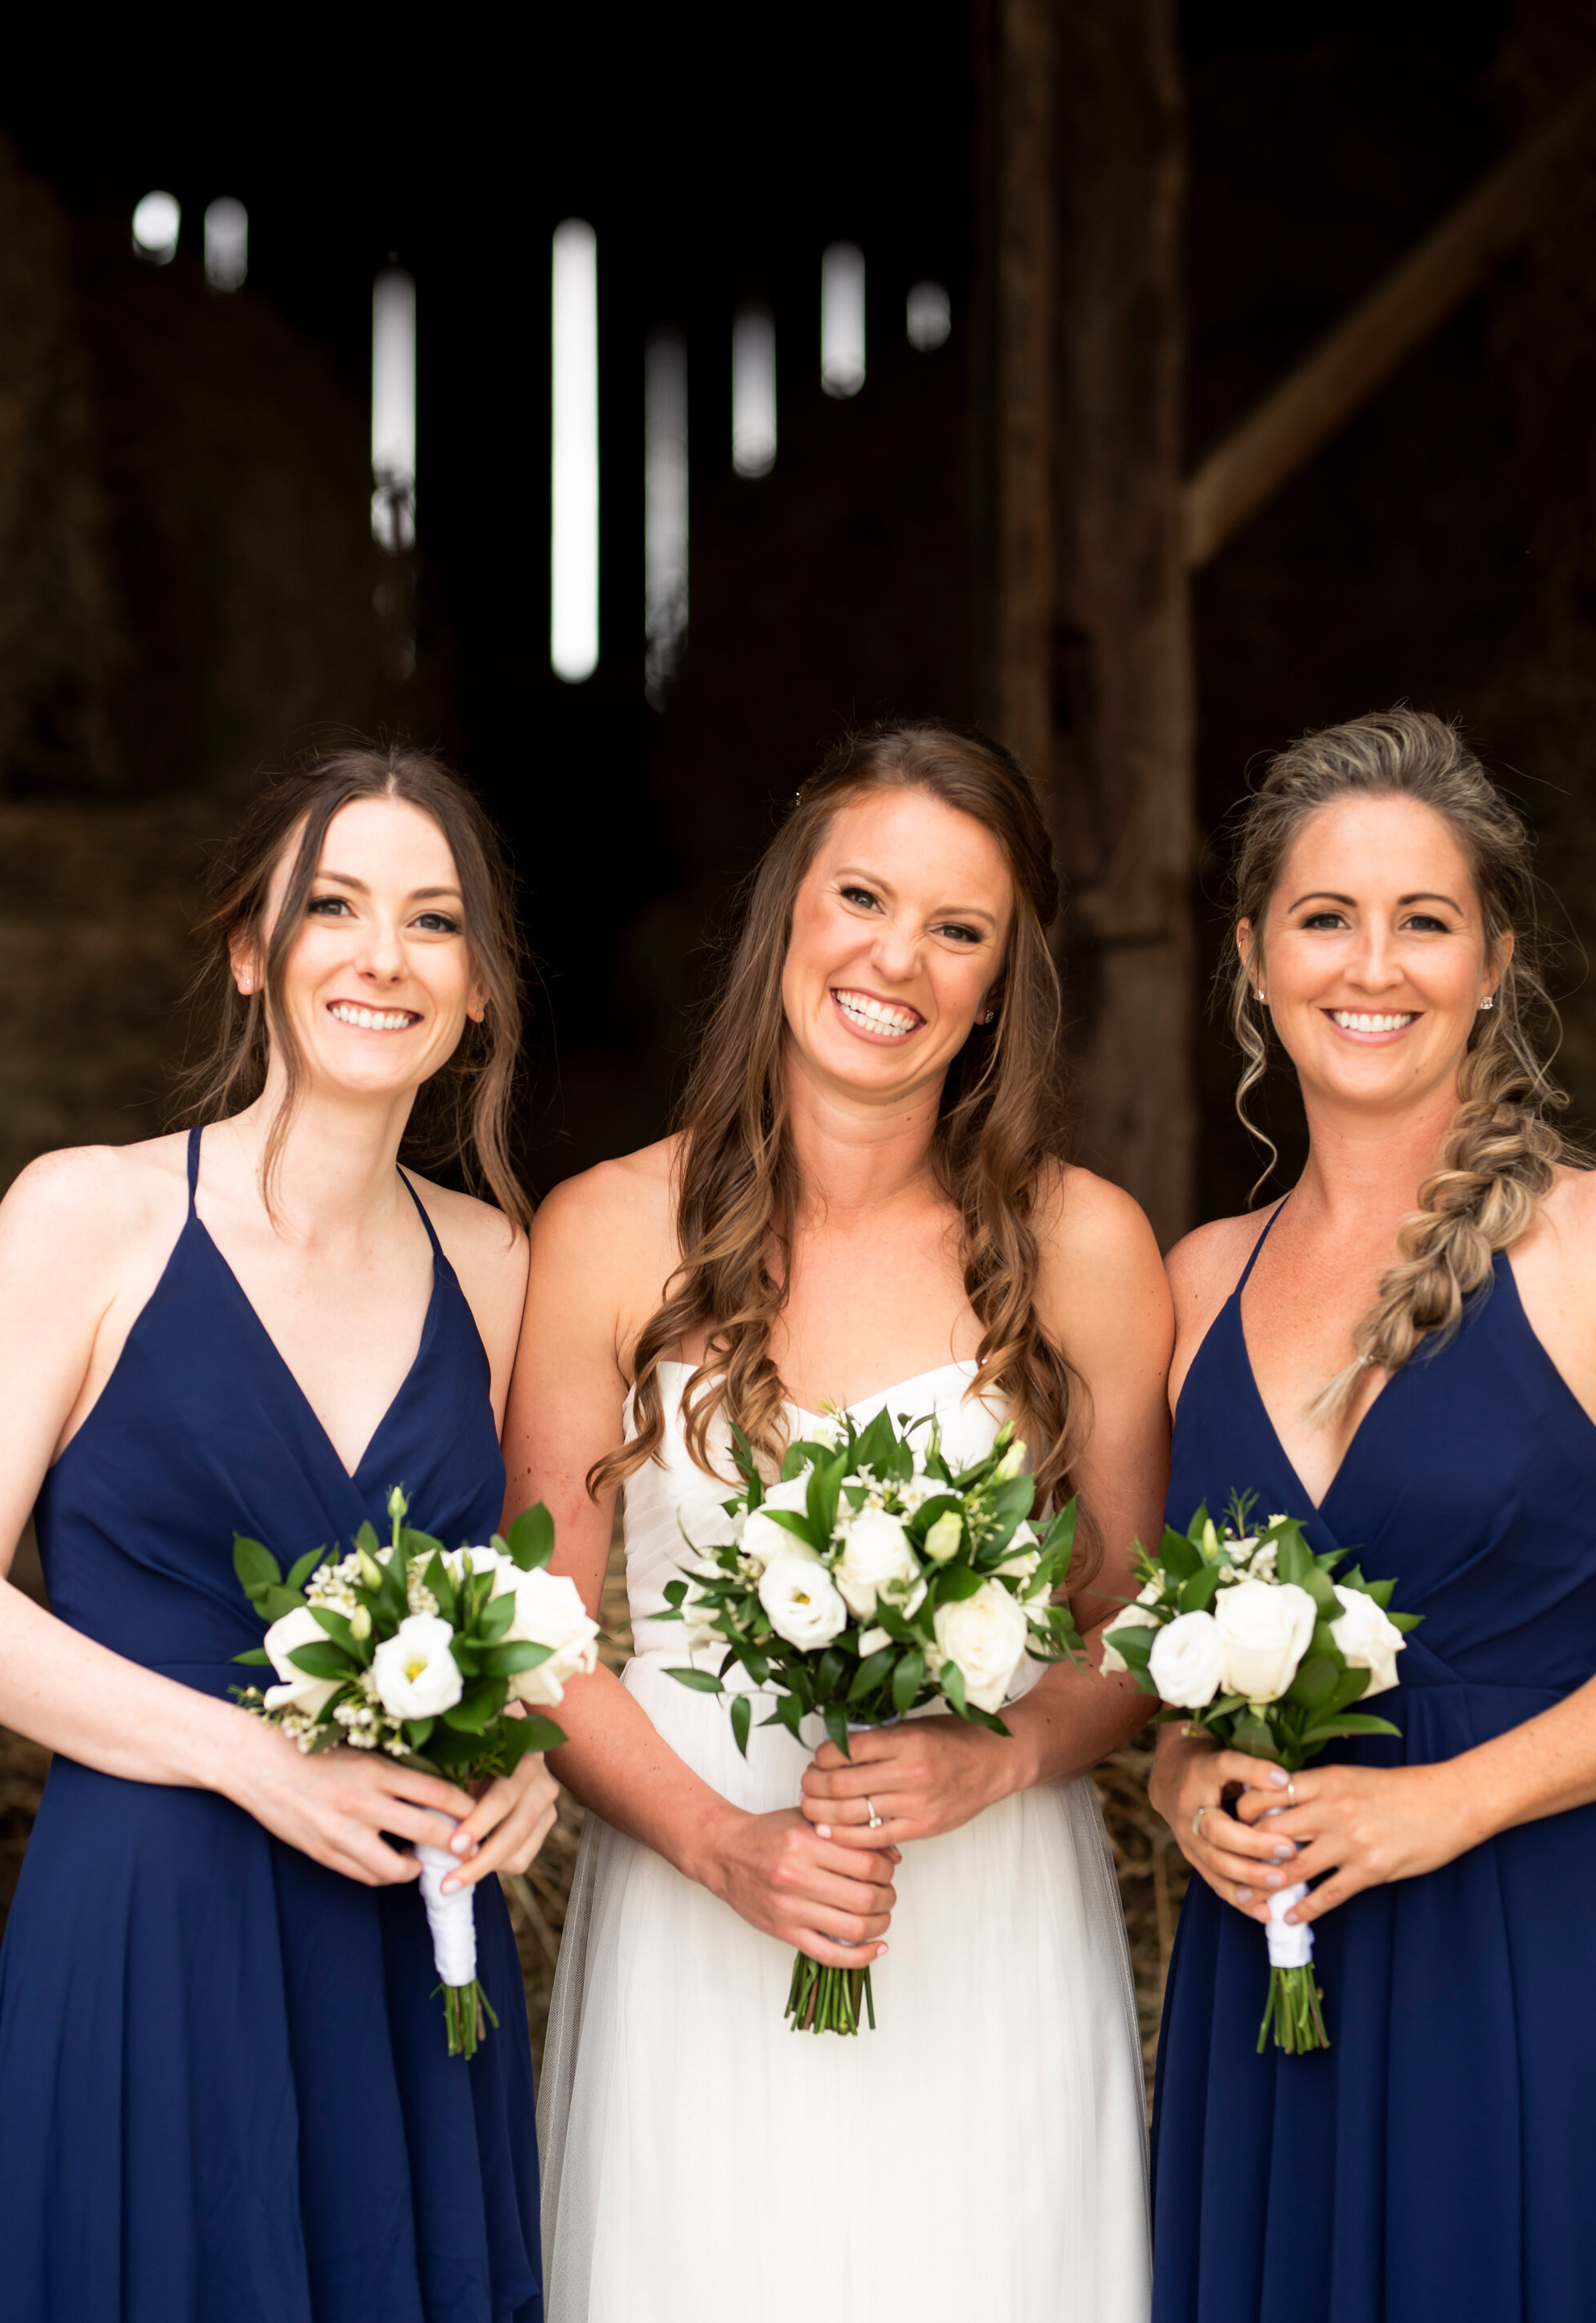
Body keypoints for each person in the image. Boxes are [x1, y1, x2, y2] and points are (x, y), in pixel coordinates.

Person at [495, 719, 1169, 2323]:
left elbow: (1136, 1623)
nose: (899, 960)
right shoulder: (604, 1232)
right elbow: (533, 1630)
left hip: (988, 1920)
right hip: (696, 1908)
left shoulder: (1083, 1243)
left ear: (1002, 984)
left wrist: (1002, 1752)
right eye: (863, 897)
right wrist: (728, 1846)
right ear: (786, 912)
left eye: (958, 930)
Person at [0, 743, 556, 2323]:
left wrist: (534, 1764)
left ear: (480, 987)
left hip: (405, 1936)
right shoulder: (86, 1214)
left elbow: (530, 1603)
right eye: (332, 907)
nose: (381, 956)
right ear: (250, 949)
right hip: (154, 1912)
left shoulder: (499, 1263)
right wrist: (248, 1752)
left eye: (433, 922)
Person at [1148, 707, 1596, 2323]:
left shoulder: (1594, 1249)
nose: (1374, 965)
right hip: (1267, 1987)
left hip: (1536, 1959)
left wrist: (1452, 1802)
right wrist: (1180, 1772)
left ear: (1492, 961)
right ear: (1252, 956)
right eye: (1326, 917)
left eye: (1426, 920)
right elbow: (1154, 1660)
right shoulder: (1194, 1285)